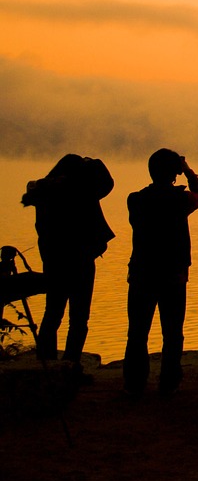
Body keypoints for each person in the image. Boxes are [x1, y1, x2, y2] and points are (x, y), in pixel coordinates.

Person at [20, 154, 115, 381]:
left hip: (54, 262)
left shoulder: (44, 195)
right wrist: (93, 161)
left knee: (52, 315)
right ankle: (71, 365)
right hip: (80, 261)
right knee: (79, 319)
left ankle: (48, 365)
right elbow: (108, 182)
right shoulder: (82, 192)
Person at [123, 148, 198, 397]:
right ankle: (168, 382)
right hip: (173, 275)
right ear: (175, 173)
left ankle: (135, 383)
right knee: (172, 332)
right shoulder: (181, 201)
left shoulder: (135, 200)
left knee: (137, 330)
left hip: (141, 273)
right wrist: (188, 170)